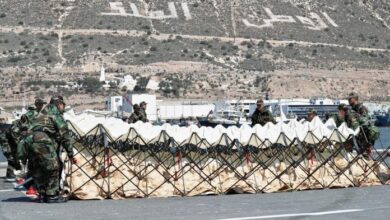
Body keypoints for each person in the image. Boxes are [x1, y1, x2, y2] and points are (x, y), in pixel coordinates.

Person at [17, 96, 76, 203]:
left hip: (30, 142)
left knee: (40, 168)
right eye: (63, 105)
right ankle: (52, 195)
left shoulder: (42, 113)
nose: (64, 108)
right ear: (59, 104)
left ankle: (43, 193)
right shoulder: (55, 114)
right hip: (41, 140)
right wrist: (71, 153)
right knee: (53, 167)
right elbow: (65, 135)